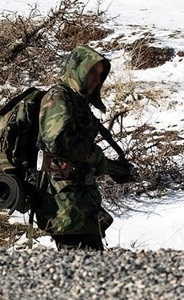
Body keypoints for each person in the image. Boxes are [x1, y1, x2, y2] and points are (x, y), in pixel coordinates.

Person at [36, 45, 113, 251]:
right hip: (65, 205)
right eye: (92, 72)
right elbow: (57, 140)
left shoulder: (78, 102)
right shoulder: (59, 97)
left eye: (100, 74)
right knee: (80, 274)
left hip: (80, 204)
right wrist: (94, 155)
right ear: (78, 69)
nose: (97, 79)